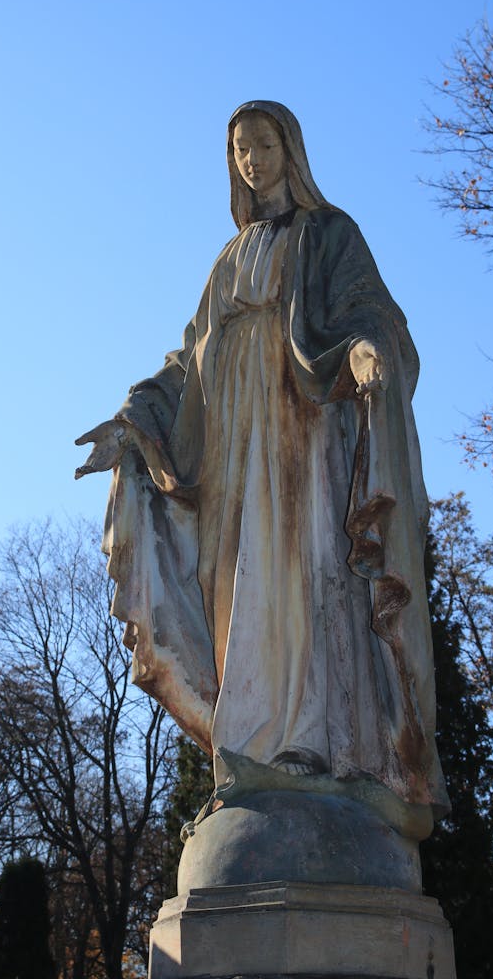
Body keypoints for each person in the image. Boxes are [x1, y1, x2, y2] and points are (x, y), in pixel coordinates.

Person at [76, 101, 447, 816]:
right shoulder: (227, 259)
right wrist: (132, 420)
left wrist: (369, 348)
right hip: (232, 437)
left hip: (300, 424)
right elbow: (185, 362)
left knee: (298, 573)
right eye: (240, 148)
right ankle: (248, 744)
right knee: (233, 580)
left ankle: (306, 740)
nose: (252, 158)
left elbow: (370, 310)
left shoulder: (329, 232)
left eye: (264, 143)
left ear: (291, 150)